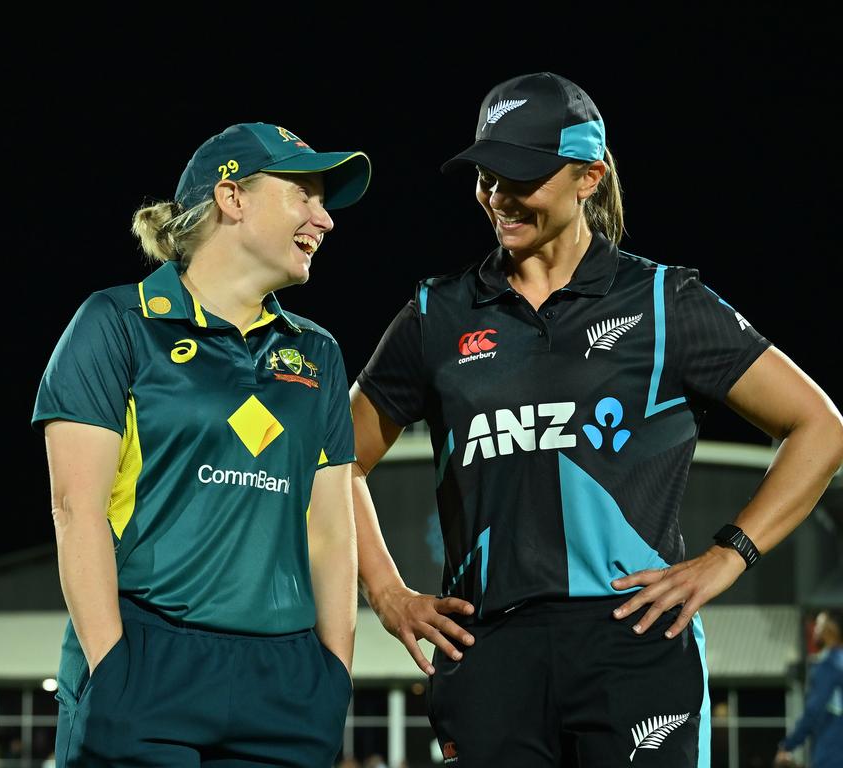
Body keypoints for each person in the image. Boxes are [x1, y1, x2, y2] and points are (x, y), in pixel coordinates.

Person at [349, 71, 843, 767]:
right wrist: (386, 590)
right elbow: (333, 458)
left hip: (635, 645)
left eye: (521, 175)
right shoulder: (437, 315)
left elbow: (819, 428)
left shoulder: (667, 302)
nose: (497, 195)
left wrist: (728, 556)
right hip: (489, 653)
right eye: (487, 175)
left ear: (589, 175)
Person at [32, 122, 371, 767]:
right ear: (232, 197)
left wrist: (333, 675)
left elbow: (331, 529)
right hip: (148, 658)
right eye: (305, 194)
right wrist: (112, 669)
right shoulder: (117, 324)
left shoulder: (318, 353)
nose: (324, 219)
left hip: (287, 679)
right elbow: (77, 513)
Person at [775, 608, 843, 768]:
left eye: (819, 624)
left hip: (832, 754)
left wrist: (788, 745)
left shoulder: (828, 666)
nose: (814, 630)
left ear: (830, 630)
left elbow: (813, 711)